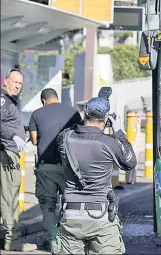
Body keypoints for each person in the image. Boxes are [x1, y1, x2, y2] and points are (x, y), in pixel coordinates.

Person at [52, 96, 137, 254]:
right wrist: (119, 132)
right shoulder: (109, 142)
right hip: (101, 217)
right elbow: (130, 162)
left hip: (71, 215)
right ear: (106, 118)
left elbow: (70, 133)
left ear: (85, 113)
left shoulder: (66, 138)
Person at [28, 88, 82, 251]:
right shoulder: (73, 113)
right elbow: (79, 137)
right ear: (57, 98)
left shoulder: (37, 114)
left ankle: (53, 239)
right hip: (69, 167)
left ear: (43, 100)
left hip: (46, 167)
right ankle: (66, 238)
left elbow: (34, 140)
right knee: (70, 204)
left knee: (48, 204)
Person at [0, 68, 37, 252]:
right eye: (14, 81)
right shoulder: (3, 100)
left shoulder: (9, 102)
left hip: (8, 152)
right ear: (5, 81)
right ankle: (12, 240)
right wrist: (14, 137)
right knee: (10, 199)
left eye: (20, 83)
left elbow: (7, 124)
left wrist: (22, 133)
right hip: (6, 154)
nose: (17, 86)